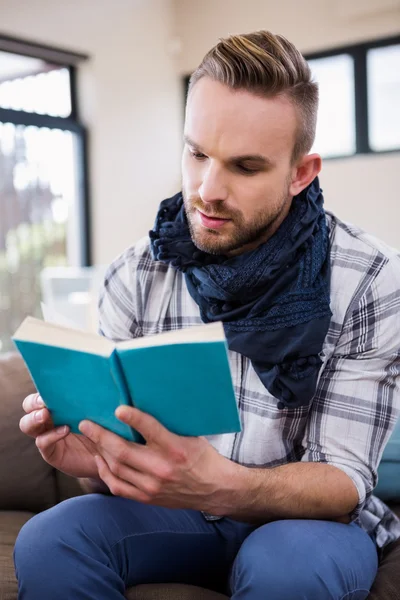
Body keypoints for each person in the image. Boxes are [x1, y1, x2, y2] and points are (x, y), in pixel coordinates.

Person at [14, 30, 400, 600]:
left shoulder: (369, 279)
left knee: (287, 570)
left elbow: (343, 478)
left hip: (312, 527)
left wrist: (223, 486)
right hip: (175, 513)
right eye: (197, 154)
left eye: (245, 167)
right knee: (49, 540)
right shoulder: (135, 275)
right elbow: (121, 456)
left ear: (301, 172)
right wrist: (94, 457)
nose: (207, 190)